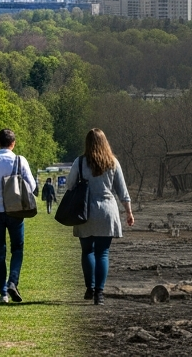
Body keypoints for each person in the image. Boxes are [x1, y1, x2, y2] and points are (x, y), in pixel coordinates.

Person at [69, 129, 134, 305]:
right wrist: (128, 212)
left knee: (87, 250)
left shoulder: (80, 162)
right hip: (107, 211)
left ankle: (89, 288)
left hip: (84, 212)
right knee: (103, 253)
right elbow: (122, 191)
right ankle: (100, 293)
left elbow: (69, 185)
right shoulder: (112, 162)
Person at [0, 129, 37, 304]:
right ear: (13, 143)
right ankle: (13, 281)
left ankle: (3, 293)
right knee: (17, 248)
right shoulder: (20, 160)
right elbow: (32, 186)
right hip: (15, 210)